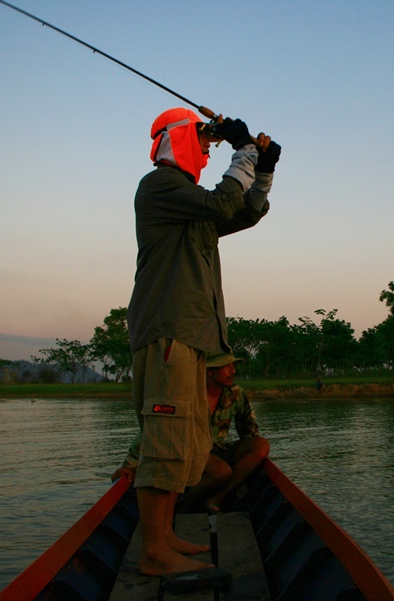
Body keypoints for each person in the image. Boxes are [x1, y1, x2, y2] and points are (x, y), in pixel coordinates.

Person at [124, 107, 280, 576]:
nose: (207, 152)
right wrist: (245, 150)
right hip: (169, 330)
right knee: (167, 438)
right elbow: (221, 203)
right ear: (178, 139)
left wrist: (264, 170)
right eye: (203, 142)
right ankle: (154, 551)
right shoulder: (160, 186)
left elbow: (243, 211)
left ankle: (166, 535)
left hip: (193, 336)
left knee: (188, 444)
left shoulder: (190, 204)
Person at [179, 352, 269, 513]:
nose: (233, 371)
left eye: (233, 366)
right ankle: (184, 510)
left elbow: (249, 430)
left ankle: (218, 498)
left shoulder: (235, 393)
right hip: (188, 453)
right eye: (226, 366)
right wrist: (131, 464)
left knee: (261, 445)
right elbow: (156, 431)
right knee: (221, 472)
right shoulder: (186, 394)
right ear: (209, 371)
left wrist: (254, 460)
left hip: (216, 450)